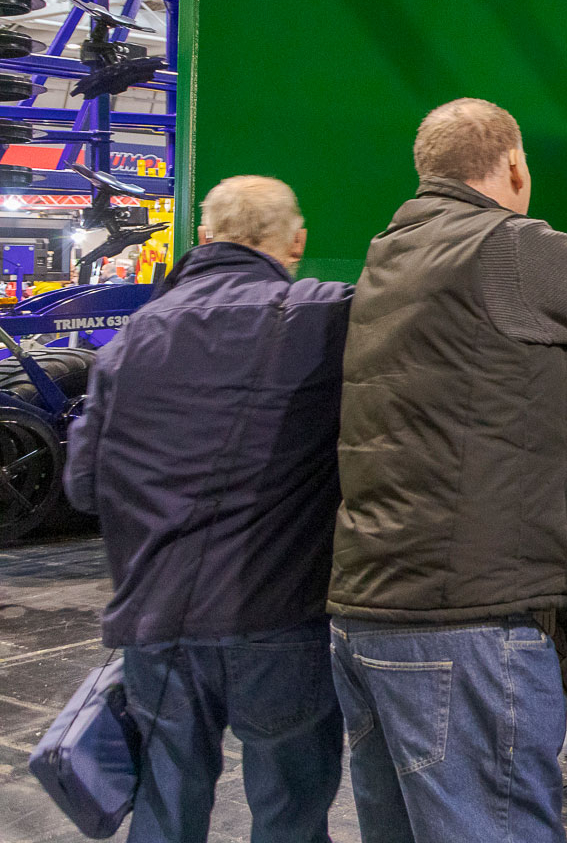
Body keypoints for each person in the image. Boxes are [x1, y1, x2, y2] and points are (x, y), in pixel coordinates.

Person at [328, 97, 567, 843]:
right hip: (467, 625)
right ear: (516, 165)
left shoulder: (387, 252)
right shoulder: (509, 245)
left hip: (366, 616)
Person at [64, 176, 352, 843]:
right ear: (297, 242)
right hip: (279, 621)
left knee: (164, 813)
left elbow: (82, 486)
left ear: (201, 237)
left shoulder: (128, 341)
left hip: (154, 625)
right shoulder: (324, 315)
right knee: (291, 815)